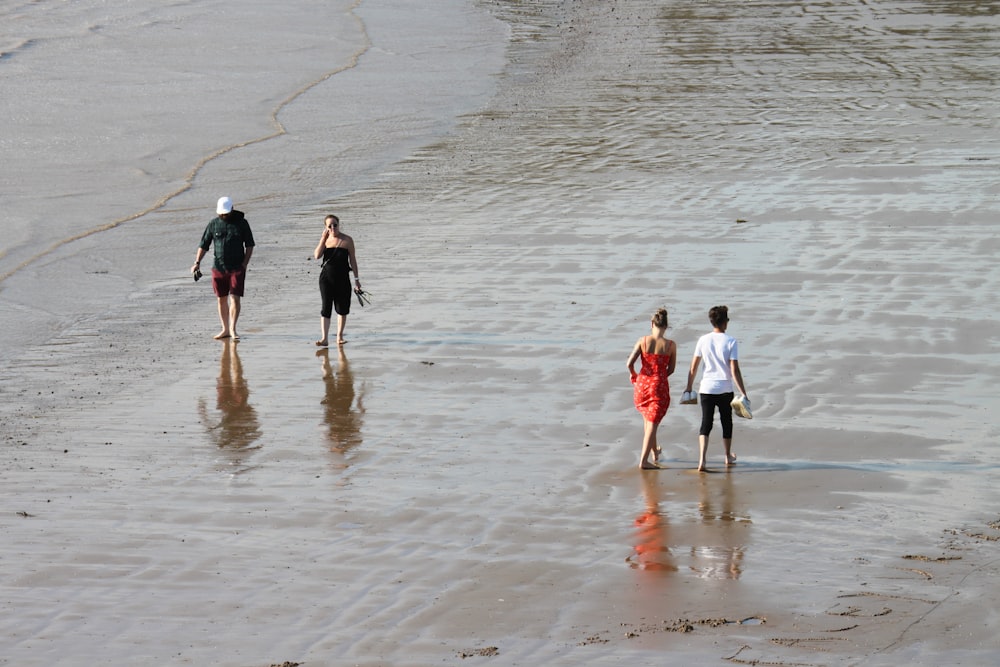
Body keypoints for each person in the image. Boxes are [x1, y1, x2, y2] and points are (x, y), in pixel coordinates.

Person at [683, 305, 749, 472]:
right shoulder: (731, 341)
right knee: (727, 423)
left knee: (706, 423)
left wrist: (689, 387)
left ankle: (702, 461)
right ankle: (727, 456)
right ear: (725, 322)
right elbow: (734, 369)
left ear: (712, 321)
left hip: (706, 388)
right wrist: (743, 392)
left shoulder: (703, 340)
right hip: (725, 388)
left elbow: (693, 367)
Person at [192, 196, 255, 340]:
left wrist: (244, 265)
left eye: (226, 213)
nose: (224, 215)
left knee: (235, 298)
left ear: (232, 209)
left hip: (236, 268)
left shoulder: (242, 223)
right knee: (221, 299)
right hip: (218, 268)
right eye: (222, 213)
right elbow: (204, 245)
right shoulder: (213, 224)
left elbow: (250, 245)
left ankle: (233, 329)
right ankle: (225, 329)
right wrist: (197, 262)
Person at [627, 307, 677, 470]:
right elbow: (671, 369)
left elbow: (629, 363)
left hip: (642, 385)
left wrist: (634, 374)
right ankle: (643, 461)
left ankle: (655, 452)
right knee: (652, 424)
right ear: (666, 326)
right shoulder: (670, 345)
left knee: (648, 421)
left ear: (652, 324)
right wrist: (660, 377)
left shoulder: (643, 341)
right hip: (658, 386)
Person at [313, 214, 361, 346]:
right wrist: (323, 238)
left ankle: (339, 336)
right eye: (330, 226)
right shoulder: (325, 240)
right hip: (326, 279)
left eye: (335, 224)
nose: (333, 228)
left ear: (339, 224)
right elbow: (317, 255)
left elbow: (353, 260)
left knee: (342, 308)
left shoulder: (347, 240)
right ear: (326, 228)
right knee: (325, 307)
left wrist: (357, 279)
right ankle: (324, 338)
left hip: (343, 278)